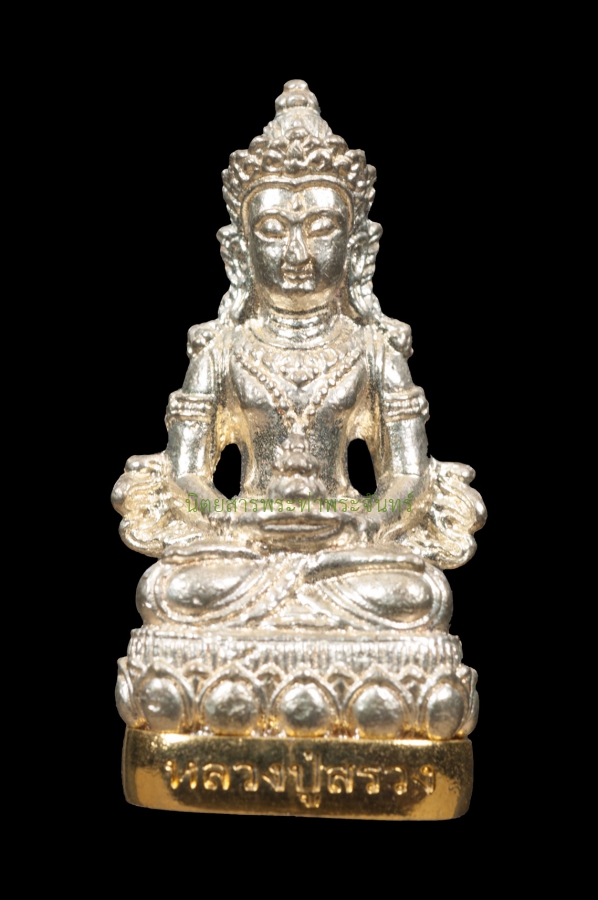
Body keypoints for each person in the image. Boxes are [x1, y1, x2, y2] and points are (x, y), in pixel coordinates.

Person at [113, 81, 485, 740]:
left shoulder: (374, 352)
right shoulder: (222, 353)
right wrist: (235, 519)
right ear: (238, 251)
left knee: (416, 595)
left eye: (321, 230)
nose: (296, 256)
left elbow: (406, 477)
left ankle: (238, 679)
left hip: (346, 553)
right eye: (273, 232)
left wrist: (363, 522)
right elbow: (186, 475)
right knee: (173, 590)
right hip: (243, 549)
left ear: (359, 249)